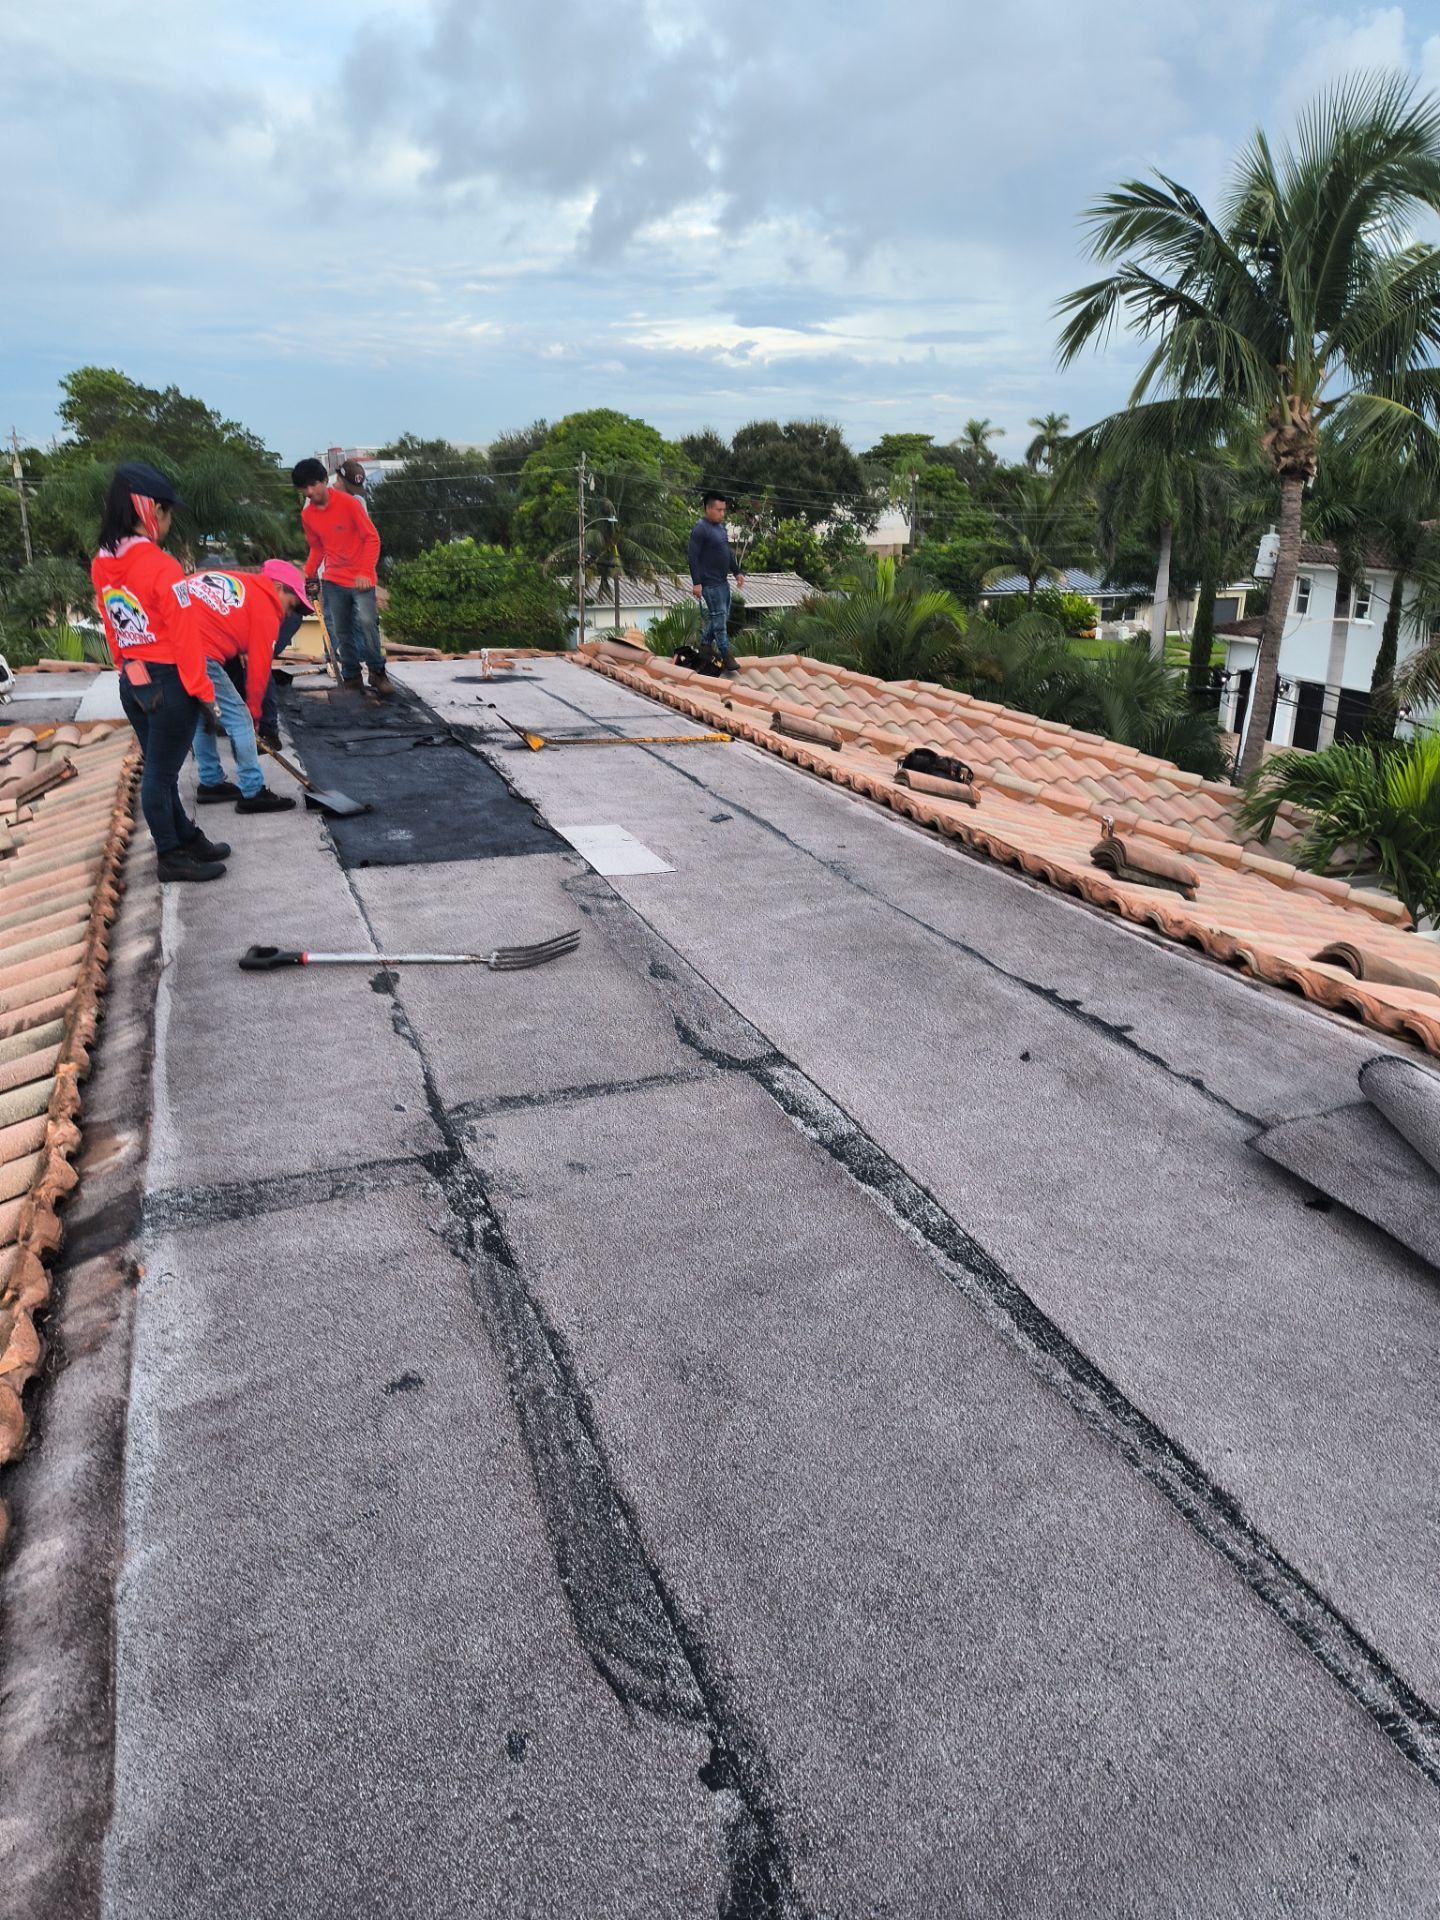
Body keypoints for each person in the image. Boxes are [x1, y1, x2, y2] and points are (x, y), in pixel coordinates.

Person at [90, 463, 231, 883]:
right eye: (168, 513)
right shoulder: (161, 565)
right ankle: (170, 855)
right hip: (169, 680)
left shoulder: (102, 563)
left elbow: (111, 621)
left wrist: (124, 665)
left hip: (132, 680)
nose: (169, 522)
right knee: (160, 774)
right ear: (151, 511)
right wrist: (203, 692)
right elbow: (185, 635)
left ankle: (185, 836)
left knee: (159, 766)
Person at [188, 561, 311, 813]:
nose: (288, 613)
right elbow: (258, 673)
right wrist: (253, 715)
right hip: (198, 651)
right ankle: (252, 792)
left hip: (174, 648)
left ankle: (210, 782)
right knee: (240, 718)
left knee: (203, 715)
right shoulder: (266, 608)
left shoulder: (247, 585)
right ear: (278, 587)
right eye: (291, 604)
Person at [290, 457, 389, 697]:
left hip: (361, 579)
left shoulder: (350, 504)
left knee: (366, 623)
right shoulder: (308, 515)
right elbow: (317, 547)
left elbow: (372, 538)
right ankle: (352, 677)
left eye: (314, 484)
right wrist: (309, 573)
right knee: (342, 630)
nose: (310, 491)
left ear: (325, 480)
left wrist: (366, 571)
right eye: (304, 488)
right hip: (333, 580)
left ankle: (377, 672)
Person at [687, 490, 745, 674]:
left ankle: (705, 644)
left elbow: (726, 553)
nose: (722, 513)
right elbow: (692, 557)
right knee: (719, 619)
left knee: (723, 615)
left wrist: (737, 571)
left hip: (722, 581)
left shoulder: (720, 528)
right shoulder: (700, 528)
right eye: (719, 510)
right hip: (709, 584)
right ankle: (726, 653)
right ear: (708, 508)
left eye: (723, 510)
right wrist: (696, 583)